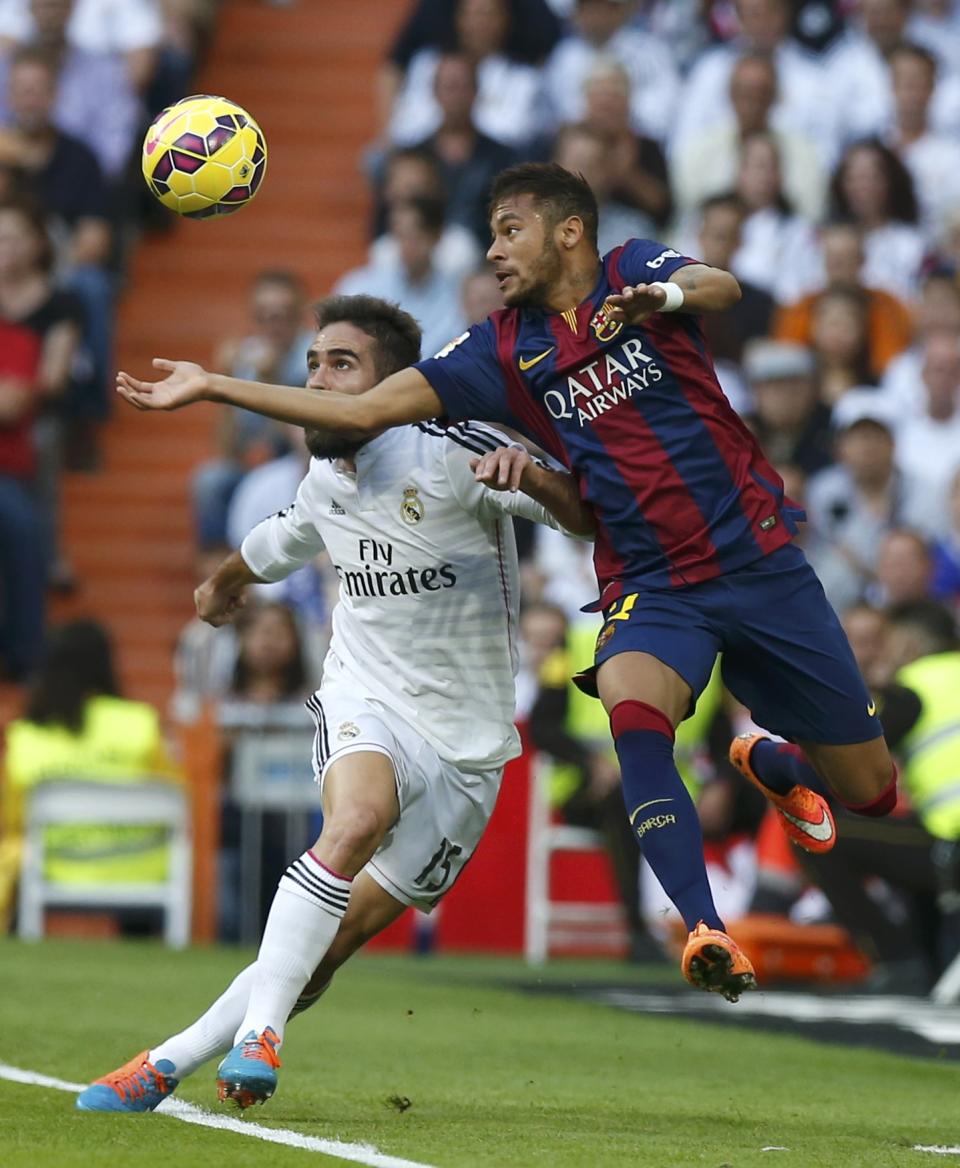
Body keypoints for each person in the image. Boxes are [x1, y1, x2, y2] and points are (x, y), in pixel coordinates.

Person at [116, 162, 899, 1008]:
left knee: (871, 793)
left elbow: (721, 286)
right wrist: (213, 386)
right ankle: (706, 926)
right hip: (651, 581)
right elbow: (357, 412)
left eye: (508, 230)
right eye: (490, 233)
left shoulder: (632, 267)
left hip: (760, 562)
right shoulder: (497, 347)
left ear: (568, 231)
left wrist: (658, 303)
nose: (493, 250)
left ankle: (772, 760)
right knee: (633, 715)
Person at [80, 293, 594, 1111]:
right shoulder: (322, 478)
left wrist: (533, 477)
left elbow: (588, 517)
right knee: (352, 822)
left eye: (340, 364)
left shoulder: (458, 447)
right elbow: (276, 541)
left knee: (323, 950)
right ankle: (260, 1039)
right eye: (313, 363)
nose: (317, 379)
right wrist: (222, 583)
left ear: (395, 385)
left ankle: (167, 1062)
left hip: (468, 748)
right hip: (368, 694)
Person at [1, 619, 182, 929]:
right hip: (140, 867)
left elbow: (12, 820)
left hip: (52, 865)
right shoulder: (141, 724)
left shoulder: (25, 737)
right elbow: (176, 798)